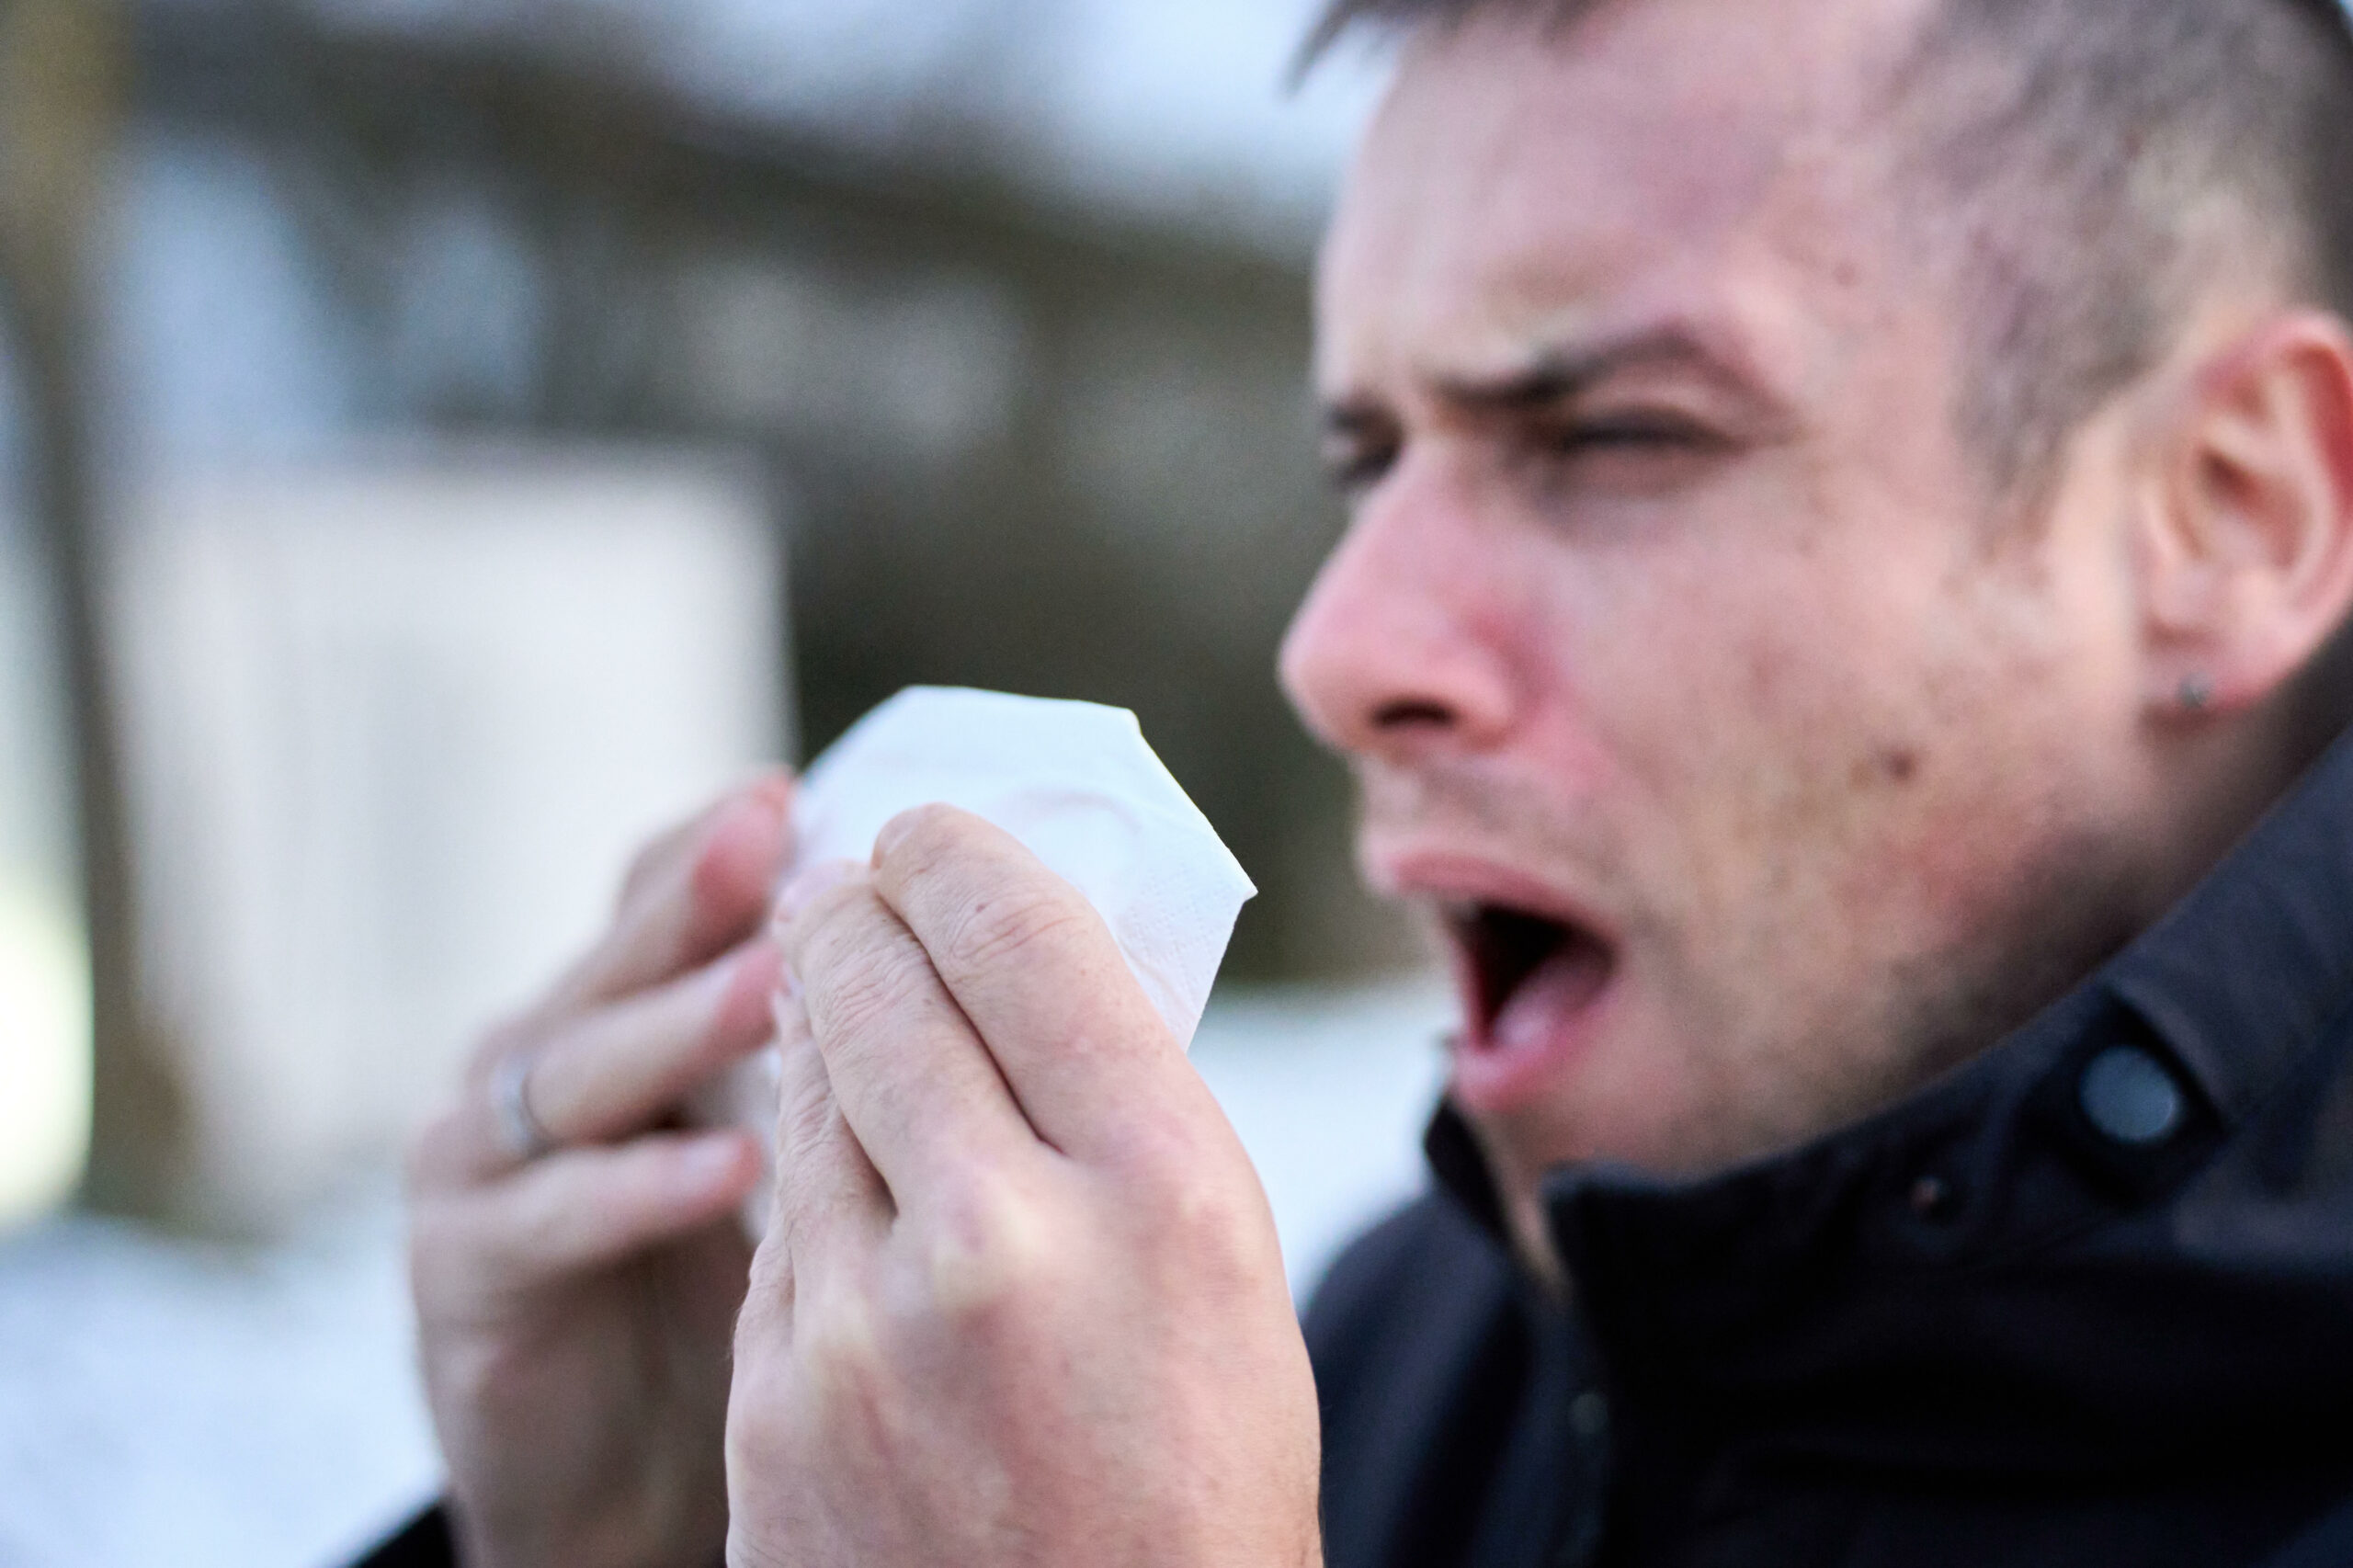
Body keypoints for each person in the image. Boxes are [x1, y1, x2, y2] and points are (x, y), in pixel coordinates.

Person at [359, 0, 2353, 1563]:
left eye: (1617, 435)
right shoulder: (1385, 1358)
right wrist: (629, 1552)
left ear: (2227, 515)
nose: (1336, 649)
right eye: (1369, 458)